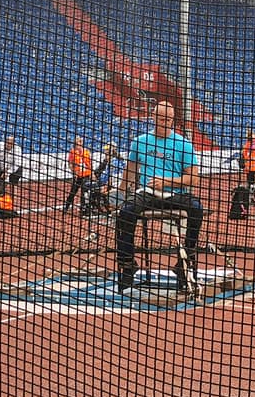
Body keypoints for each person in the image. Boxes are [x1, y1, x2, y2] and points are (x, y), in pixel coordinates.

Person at [115, 101, 204, 293]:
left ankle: (184, 262)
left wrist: (166, 181)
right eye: (161, 119)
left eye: (168, 120)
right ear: (153, 117)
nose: (165, 123)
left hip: (175, 195)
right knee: (126, 212)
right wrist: (119, 193)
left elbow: (193, 178)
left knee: (197, 208)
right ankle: (128, 264)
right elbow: (130, 170)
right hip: (147, 194)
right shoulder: (140, 141)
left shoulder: (183, 144)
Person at [63, 136, 93, 214]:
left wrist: (91, 173)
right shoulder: (72, 152)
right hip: (78, 175)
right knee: (73, 192)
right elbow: (70, 163)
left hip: (86, 174)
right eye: (77, 142)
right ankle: (66, 206)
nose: (79, 143)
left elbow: (90, 164)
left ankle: (83, 208)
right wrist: (74, 172)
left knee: (84, 192)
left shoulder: (86, 151)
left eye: (80, 142)